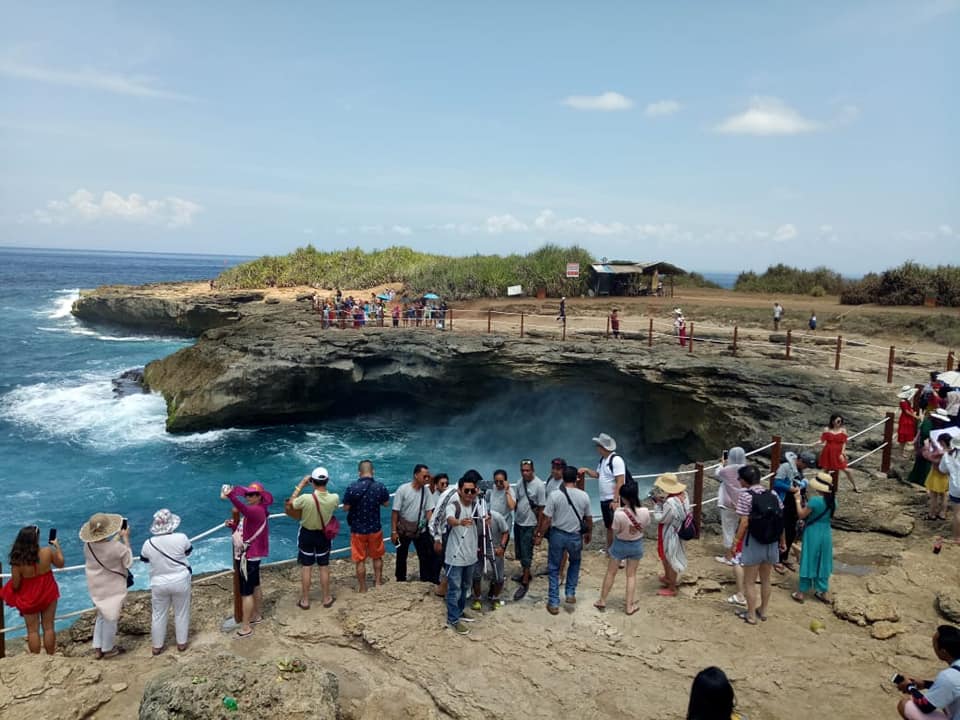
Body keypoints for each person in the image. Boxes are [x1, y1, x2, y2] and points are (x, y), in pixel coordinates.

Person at [535, 466, 592, 614]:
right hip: (575, 535)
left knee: (554, 568)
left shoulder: (554, 495)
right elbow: (589, 518)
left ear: (563, 479)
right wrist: (588, 533)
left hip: (558, 535)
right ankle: (570, 593)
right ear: (576, 479)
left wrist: (540, 534)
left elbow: (547, 519)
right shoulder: (584, 496)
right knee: (575, 562)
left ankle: (554, 603)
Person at [734, 464, 786, 625]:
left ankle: (750, 615)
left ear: (744, 480)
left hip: (754, 542)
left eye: (739, 479)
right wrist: (782, 541)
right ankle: (763, 610)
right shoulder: (773, 494)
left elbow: (744, 522)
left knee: (749, 581)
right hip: (771, 542)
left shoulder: (746, 496)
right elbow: (780, 519)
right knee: (766, 579)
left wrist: (735, 543)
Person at [0, 525, 63, 654]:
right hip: (48, 592)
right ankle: (51, 656)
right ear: (36, 539)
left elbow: (16, 585)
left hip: (29, 597)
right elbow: (61, 564)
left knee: (33, 630)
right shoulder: (47, 552)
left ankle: (36, 659)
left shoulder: (17, 561)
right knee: (49, 627)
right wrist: (57, 546)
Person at [222, 481, 272, 638]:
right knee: (255, 585)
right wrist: (234, 526)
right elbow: (249, 528)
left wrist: (230, 494)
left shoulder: (255, 510)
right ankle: (256, 615)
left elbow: (242, 508)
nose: (248, 497)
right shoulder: (260, 510)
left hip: (248, 557)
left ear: (259, 497)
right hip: (253, 555)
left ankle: (245, 627)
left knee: (246, 592)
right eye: (247, 494)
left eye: (252, 494)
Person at [80, 512, 133, 658]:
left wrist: (116, 537)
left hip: (96, 587)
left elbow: (104, 547)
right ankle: (108, 649)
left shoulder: (88, 547)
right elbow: (128, 561)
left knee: (102, 615)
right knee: (111, 617)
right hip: (112, 588)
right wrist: (125, 538)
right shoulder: (116, 547)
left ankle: (98, 647)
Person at [140, 508, 192, 655]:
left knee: (158, 614)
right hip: (180, 579)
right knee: (181, 612)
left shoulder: (148, 543)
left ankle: (157, 646)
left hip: (159, 582)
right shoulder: (181, 537)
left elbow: (144, 559)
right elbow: (188, 551)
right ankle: (181, 643)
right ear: (172, 524)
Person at [286, 467, 338, 609]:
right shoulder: (334, 498)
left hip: (307, 534)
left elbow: (291, 503)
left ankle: (305, 600)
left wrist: (301, 484)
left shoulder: (305, 499)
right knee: (323, 567)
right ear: (327, 481)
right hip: (323, 535)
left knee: (307, 567)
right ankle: (326, 598)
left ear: (312, 482)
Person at [595, 481, 649, 615]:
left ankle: (602, 600)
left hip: (620, 544)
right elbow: (645, 526)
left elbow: (615, 531)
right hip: (636, 544)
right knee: (631, 576)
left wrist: (617, 510)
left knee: (611, 573)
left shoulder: (619, 514)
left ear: (623, 497)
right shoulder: (645, 512)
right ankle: (629, 606)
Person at [342, 459, 391, 592]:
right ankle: (378, 583)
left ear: (359, 473)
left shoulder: (352, 487)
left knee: (360, 560)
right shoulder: (380, 486)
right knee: (377, 557)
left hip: (357, 530)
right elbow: (386, 504)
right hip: (375, 528)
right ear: (373, 471)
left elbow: (345, 508)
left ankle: (363, 588)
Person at [443, 471, 481, 635]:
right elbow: (449, 518)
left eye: (473, 491)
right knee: (454, 589)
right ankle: (453, 619)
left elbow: (485, 517)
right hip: (455, 556)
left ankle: (458, 611)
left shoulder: (476, 504)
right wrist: (459, 522)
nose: (470, 494)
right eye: (466, 491)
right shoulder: (454, 504)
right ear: (459, 490)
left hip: (470, 555)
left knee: (465, 587)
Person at [895, 625, 960, 719]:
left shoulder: (948, 677)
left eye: (934, 645)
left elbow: (925, 706)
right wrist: (925, 684)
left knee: (905, 705)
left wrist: (910, 687)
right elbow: (954, 687)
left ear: (943, 652)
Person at [790, 472, 836, 604]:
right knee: (823, 559)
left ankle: (801, 592)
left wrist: (798, 500)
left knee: (808, 558)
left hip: (813, 531)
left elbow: (801, 515)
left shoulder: (815, 501)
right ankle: (823, 590)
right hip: (826, 531)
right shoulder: (834, 501)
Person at [578, 433, 626, 556]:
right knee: (609, 526)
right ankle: (610, 550)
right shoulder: (603, 460)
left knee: (617, 526)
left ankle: (620, 555)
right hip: (605, 499)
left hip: (612, 499)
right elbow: (599, 475)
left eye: (598, 445)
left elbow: (620, 480)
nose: (596, 448)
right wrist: (587, 470)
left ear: (603, 447)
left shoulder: (616, 460)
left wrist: (616, 500)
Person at [391, 464, 438, 584]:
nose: (427, 479)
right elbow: (395, 512)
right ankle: (400, 579)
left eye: (428, 476)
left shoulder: (426, 491)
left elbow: (428, 511)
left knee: (424, 555)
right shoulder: (403, 489)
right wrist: (394, 531)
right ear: (416, 475)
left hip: (420, 529)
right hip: (403, 529)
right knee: (401, 555)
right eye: (424, 476)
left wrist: (433, 528)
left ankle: (425, 578)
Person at [771, 450, 816, 573]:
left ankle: (784, 557)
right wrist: (791, 488)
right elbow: (777, 482)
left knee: (792, 530)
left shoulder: (799, 470)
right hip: (784, 501)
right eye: (805, 464)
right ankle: (777, 559)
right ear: (800, 460)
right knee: (782, 530)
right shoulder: (786, 467)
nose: (806, 467)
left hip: (795, 503)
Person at [650, 473, 690, 597]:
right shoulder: (684, 495)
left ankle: (672, 587)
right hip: (679, 528)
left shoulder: (671, 502)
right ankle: (668, 578)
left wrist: (657, 506)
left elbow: (661, 518)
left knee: (670, 556)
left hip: (671, 532)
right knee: (671, 555)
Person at [512, 459, 546, 600]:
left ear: (533, 470)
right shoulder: (520, 483)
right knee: (520, 551)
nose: (525, 473)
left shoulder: (539, 485)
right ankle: (525, 573)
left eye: (527, 470)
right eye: (523, 470)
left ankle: (525, 580)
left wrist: (538, 531)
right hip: (519, 522)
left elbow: (542, 509)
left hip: (530, 523)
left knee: (527, 553)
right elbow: (517, 500)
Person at [714, 447, 747, 565]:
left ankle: (728, 557)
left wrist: (722, 463)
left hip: (728, 503)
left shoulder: (726, 470)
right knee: (741, 529)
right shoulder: (747, 470)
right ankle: (739, 553)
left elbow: (717, 473)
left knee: (729, 529)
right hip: (743, 503)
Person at [472, 506, 509, 610]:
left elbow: (505, 532)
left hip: (495, 547)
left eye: (487, 518)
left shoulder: (497, 517)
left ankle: (495, 597)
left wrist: (502, 547)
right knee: (476, 575)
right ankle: (478, 598)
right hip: (480, 547)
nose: (485, 520)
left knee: (499, 576)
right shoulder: (475, 520)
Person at [818, 414, 860, 492]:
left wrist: (842, 452)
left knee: (847, 470)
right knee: (826, 470)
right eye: (837, 421)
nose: (839, 423)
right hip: (828, 451)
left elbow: (844, 442)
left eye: (840, 421)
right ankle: (822, 487)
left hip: (838, 453)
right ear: (832, 421)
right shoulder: (827, 429)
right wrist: (814, 443)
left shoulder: (843, 430)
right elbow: (822, 440)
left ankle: (855, 486)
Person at [924, 435, 952, 521]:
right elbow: (939, 451)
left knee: (934, 497)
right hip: (946, 476)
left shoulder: (941, 453)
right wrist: (935, 445)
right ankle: (943, 513)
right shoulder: (951, 451)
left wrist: (927, 446)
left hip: (936, 476)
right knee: (944, 496)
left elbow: (928, 456)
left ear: (942, 442)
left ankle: (932, 514)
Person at [940, 436, 960, 544]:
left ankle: (957, 538)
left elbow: (942, 470)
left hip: (956, 488)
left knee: (957, 513)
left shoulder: (948, 455)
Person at [899, 386, 922, 458]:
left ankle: (902, 452)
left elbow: (909, 410)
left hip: (907, 419)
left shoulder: (906, 401)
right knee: (903, 437)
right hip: (905, 420)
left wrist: (912, 413)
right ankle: (901, 452)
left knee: (905, 437)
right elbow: (906, 411)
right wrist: (915, 416)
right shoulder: (903, 402)